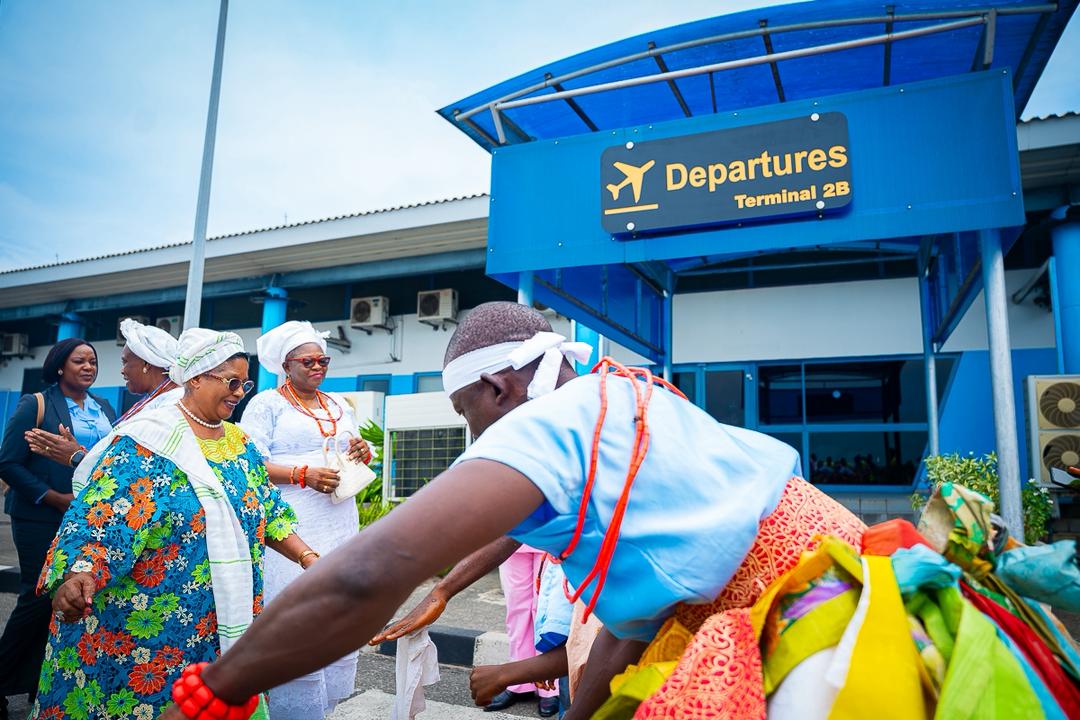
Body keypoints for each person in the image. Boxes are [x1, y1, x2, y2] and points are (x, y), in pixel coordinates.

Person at [159, 302, 864, 720]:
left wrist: (219, 686)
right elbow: (620, 635)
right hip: (850, 579)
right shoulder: (622, 395)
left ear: (497, 387)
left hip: (812, 622)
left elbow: (362, 575)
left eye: (466, 416)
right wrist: (444, 589)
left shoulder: (544, 422)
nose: (471, 439)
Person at [29, 329, 316, 720]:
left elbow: (269, 510)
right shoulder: (148, 441)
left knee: (214, 705)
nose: (239, 393)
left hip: (222, 620)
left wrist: (308, 558)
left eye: (244, 384)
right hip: (151, 626)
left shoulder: (240, 444)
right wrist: (80, 573)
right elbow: (100, 518)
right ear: (196, 377)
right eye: (231, 382)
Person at [239, 320, 371, 720]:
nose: (318, 366)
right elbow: (248, 464)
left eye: (323, 359)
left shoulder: (337, 405)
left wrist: (362, 451)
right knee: (298, 616)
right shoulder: (267, 404)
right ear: (286, 365)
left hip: (340, 522)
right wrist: (302, 475)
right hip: (291, 528)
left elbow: (348, 449)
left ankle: (325, 706)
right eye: (309, 361)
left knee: (337, 611)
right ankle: (291, 710)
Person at [0, 338, 116, 719]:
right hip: (39, 515)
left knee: (63, 600)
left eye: (92, 361)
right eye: (78, 361)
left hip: (82, 518)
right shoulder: (36, 403)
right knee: (37, 594)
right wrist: (53, 497)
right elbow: (8, 463)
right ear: (60, 367)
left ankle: (37, 684)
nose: (87, 366)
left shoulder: (103, 408)